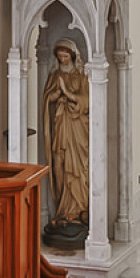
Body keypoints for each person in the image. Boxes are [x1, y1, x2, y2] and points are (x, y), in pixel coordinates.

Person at [41, 40, 91, 237]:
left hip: (77, 131)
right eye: (59, 57)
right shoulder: (55, 76)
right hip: (60, 127)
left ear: (73, 56)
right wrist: (54, 96)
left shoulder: (82, 77)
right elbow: (47, 100)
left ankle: (79, 211)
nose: (62, 60)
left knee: (77, 170)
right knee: (60, 166)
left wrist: (68, 94)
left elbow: (87, 102)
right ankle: (63, 211)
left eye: (65, 57)